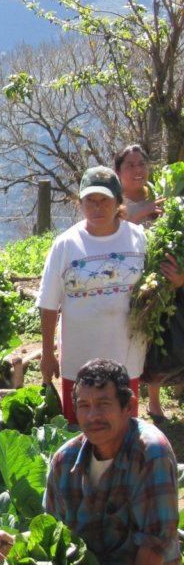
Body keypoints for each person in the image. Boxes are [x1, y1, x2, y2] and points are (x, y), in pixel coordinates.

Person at [0, 359, 180, 565]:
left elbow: (154, 547)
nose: (92, 416)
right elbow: (53, 534)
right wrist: (13, 541)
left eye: (103, 404)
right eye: (84, 406)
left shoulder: (150, 453)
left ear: (129, 407)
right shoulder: (65, 459)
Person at [38, 166, 184, 424]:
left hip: (127, 357)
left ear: (118, 202)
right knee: (81, 430)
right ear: (80, 202)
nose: (97, 207)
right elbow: (49, 302)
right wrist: (48, 354)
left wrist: (176, 282)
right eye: (90, 201)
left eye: (104, 200)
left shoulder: (139, 239)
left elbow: (158, 288)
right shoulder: (66, 244)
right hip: (78, 358)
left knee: (123, 430)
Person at [115, 145, 168, 422]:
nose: (137, 170)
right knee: (130, 336)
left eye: (141, 164)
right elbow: (111, 232)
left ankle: (155, 400)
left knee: (155, 337)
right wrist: (140, 213)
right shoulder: (114, 201)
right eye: (130, 165)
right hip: (125, 279)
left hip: (158, 277)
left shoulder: (160, 194)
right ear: (119, 171)